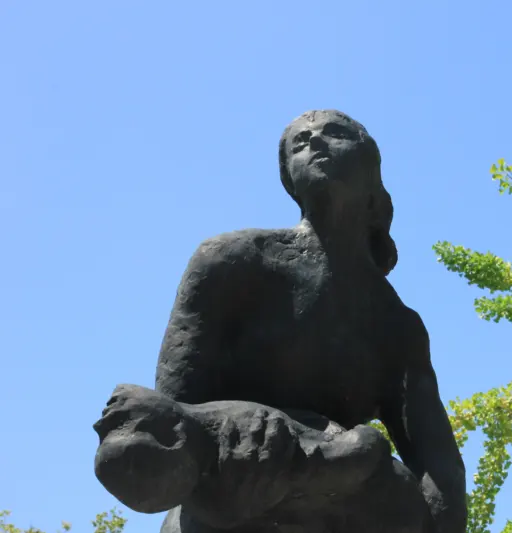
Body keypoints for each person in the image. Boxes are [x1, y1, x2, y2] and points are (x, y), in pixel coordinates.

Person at [93, 110, 466, 533]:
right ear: (289, 177)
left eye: (334, 133)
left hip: (341, 505)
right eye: (299, 142)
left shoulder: (398, 328)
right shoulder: (231, 261)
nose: (316, 142)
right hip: (224, 506)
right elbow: (175, 410)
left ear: (371, 167)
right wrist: (244, 431)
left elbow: (439, 467)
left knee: (388, 488)